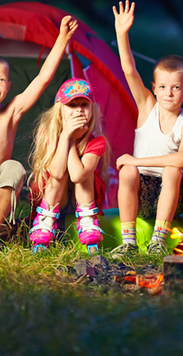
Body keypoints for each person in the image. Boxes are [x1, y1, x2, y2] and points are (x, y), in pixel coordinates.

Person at [0, 16, 77, 248]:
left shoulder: (11, 112)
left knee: (13, 166)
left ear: (8, 86)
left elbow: (43, 79)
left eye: (1, 80)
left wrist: (62, 39)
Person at [110, 1, 183, 257]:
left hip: (170, 196)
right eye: (162, 87)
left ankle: (158, 239)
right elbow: (129, 70)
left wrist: (137, 160)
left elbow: (182, 159)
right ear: (154, 87)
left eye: (176, 88)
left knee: (172, 170)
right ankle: (129, 243)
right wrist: (121, 33)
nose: (168, 94)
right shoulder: (147, 106)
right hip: (141, 192)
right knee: (127, 171)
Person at [29, 78, 111, 253]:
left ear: (92, 109)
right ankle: (45, 221)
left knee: (83, 173)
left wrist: (72, 140)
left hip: (82, 200)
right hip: (53, 196)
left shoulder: (97, 140)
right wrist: (65, 136)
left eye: (84, 105)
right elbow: (57, 173)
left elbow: (77, 176)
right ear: (60, 111)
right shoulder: (49, 133)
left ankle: (88, 220)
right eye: (72, 106)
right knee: (59, 173)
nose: (79, 110)